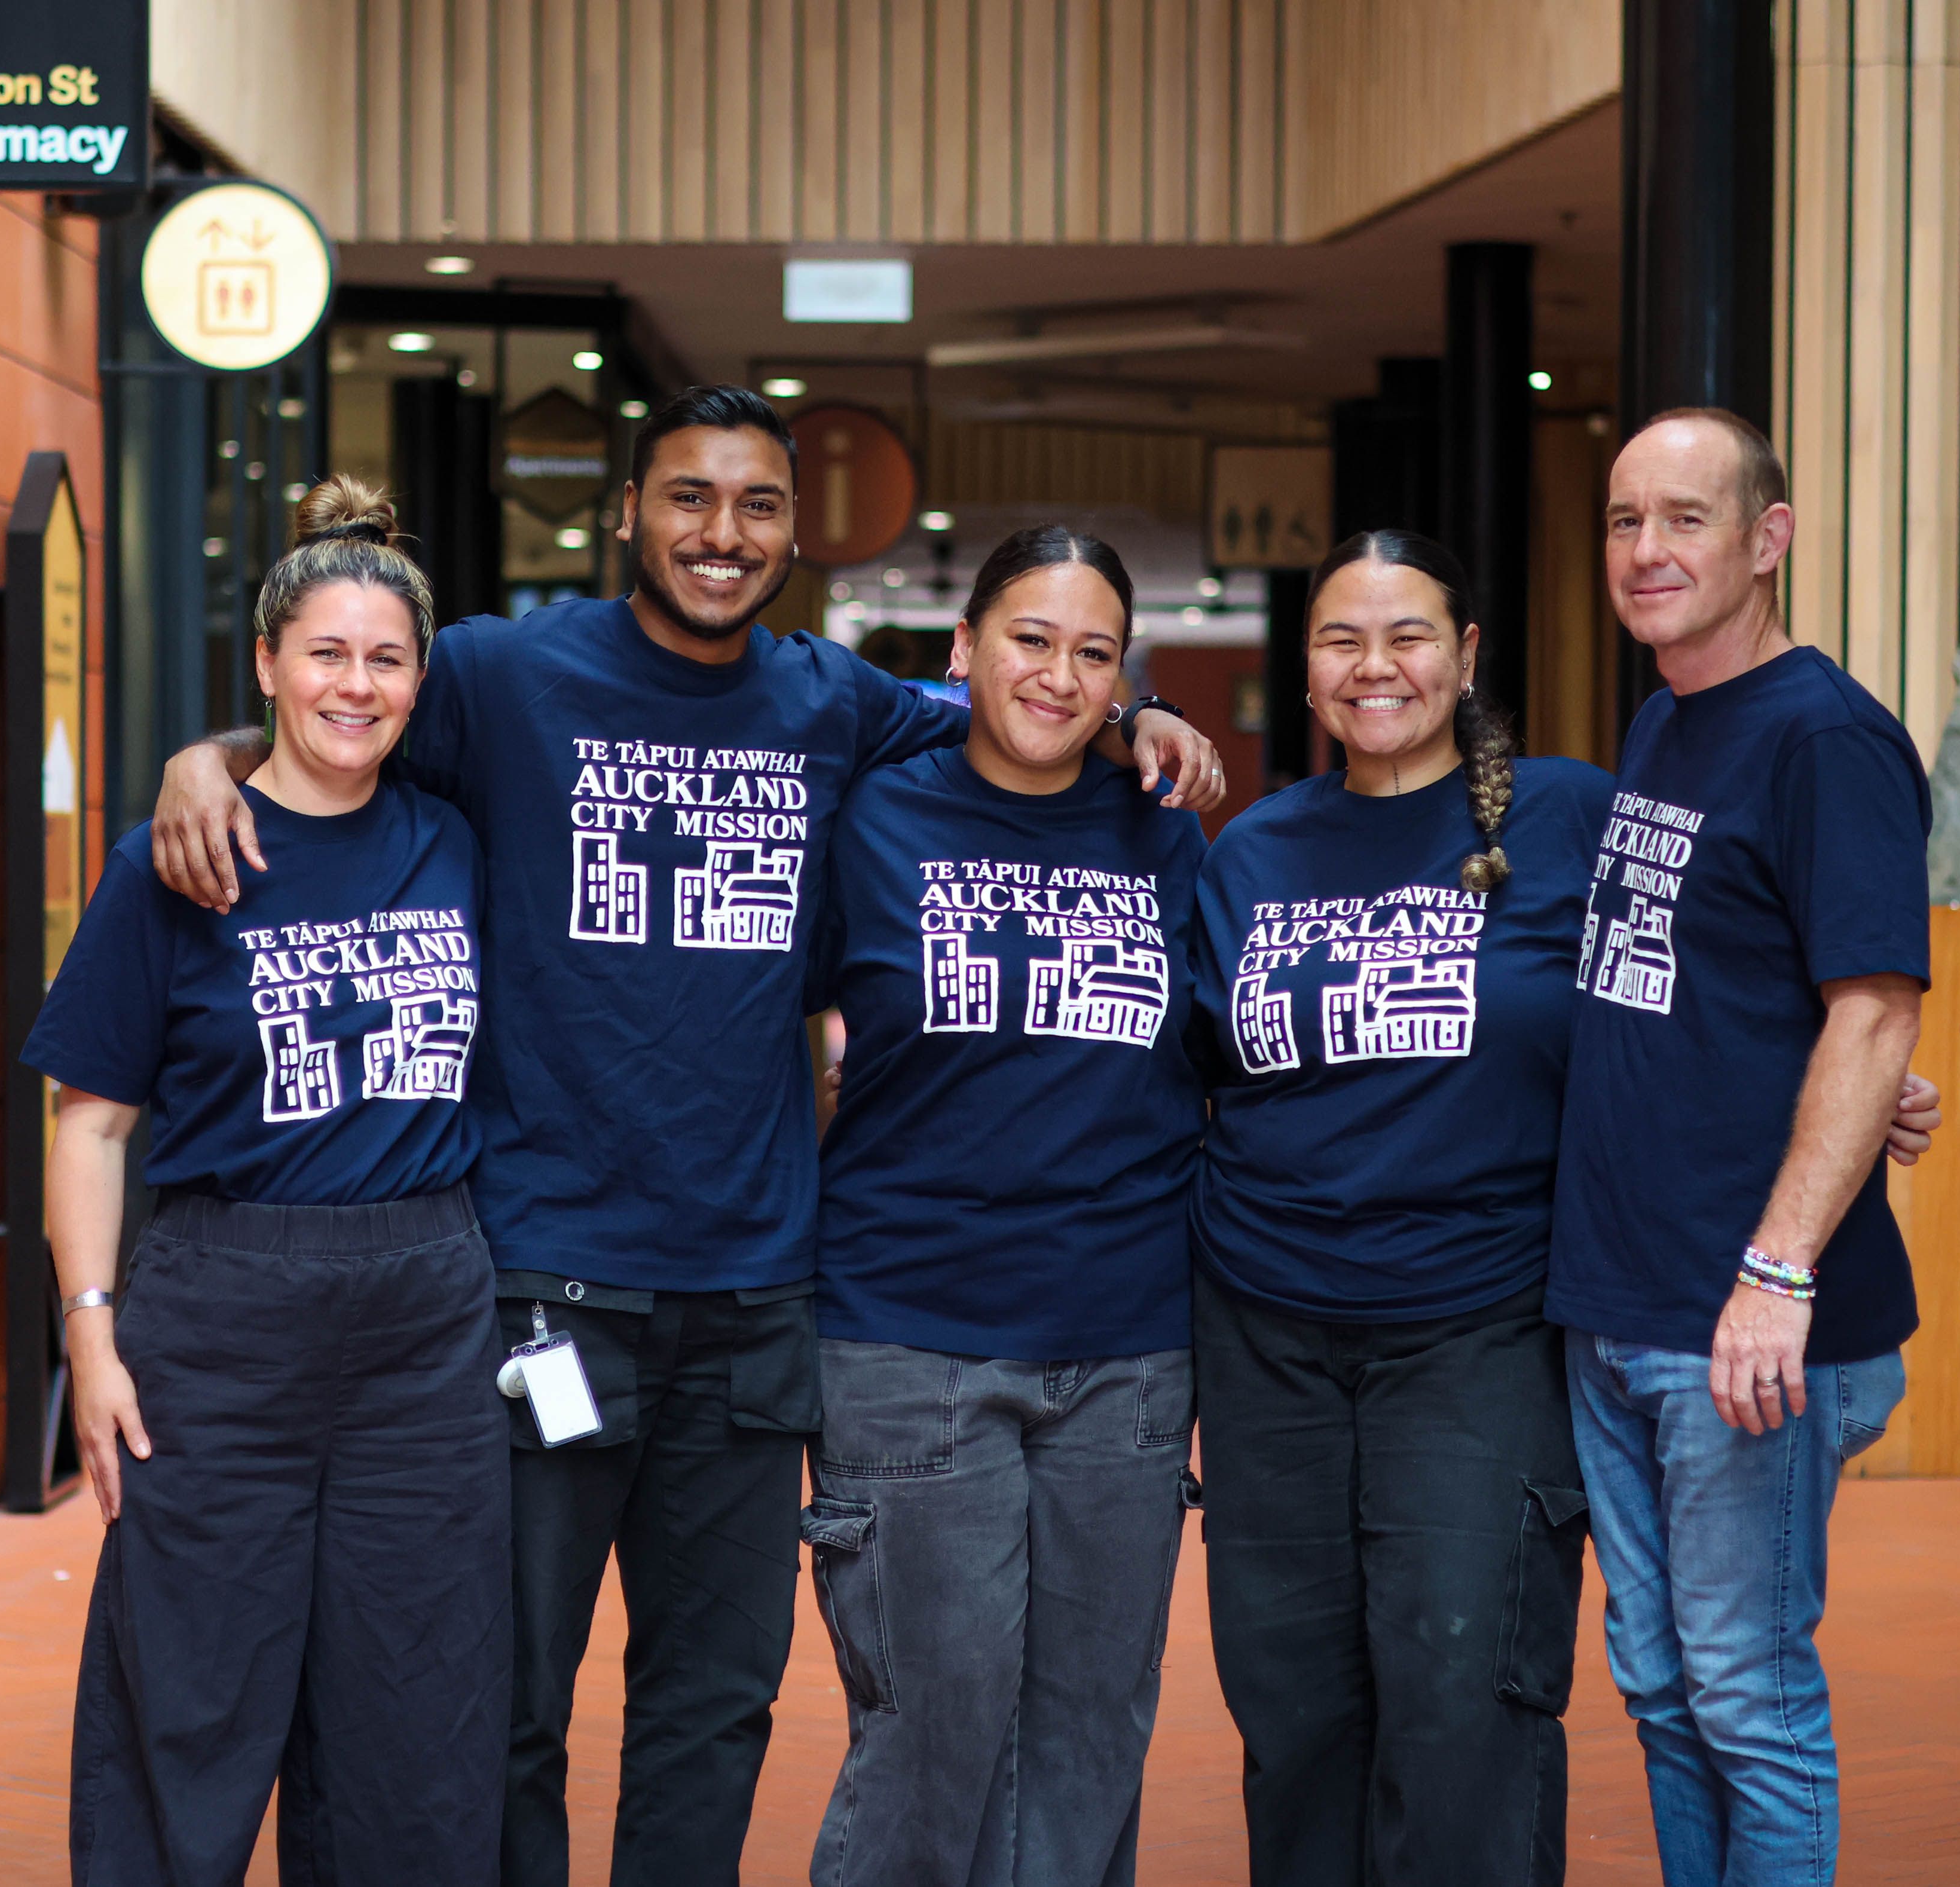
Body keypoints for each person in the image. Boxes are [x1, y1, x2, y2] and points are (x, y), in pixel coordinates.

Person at [146, 386, 1227, 1887]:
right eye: (690, 498)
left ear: (791, 534)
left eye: (758, 505)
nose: (723, 532)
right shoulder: (504, 674)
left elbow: (1014, 711)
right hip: (546, 1289)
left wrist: (1133, 711)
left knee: (713, 1703)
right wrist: (198, 758)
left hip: (753, 1303)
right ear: (629, 514)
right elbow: (341, 710)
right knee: (509, 1696)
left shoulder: (831, 701)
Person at [1185, 528, 1940, 1887]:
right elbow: (1176, 1070)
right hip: (1264, 1337)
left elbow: (1715, 965)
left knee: (1462, 1695)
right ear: (1303, 671)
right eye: (1342, 639)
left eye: (1409, 634)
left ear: (1466, 656)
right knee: (1292, 1703)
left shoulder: (1573, 815)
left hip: (1476, 1325)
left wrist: (1866, 1073)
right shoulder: (1251, 851)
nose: (1376, 666)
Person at [25, 478, 506, 1886]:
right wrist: (92, 1334)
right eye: (326, 654)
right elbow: (90, 1127)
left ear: (421, 675)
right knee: (190, 1688)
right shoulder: (178, 859)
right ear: (266, 664)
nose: (355, 686)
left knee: (419, 1710)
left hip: (426, 1322)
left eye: (386, 658)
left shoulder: (456, 840)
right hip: (220, 1314)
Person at [1548, 408, 1930, 1887]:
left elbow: (1875, 1005)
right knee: (1659, 1686)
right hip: (1620, 1301)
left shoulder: (1824, 736)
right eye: (1625, 518)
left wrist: (1776, 1272)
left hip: (1745, 1322)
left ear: (1767, 538)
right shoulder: (1666, 717)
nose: (1647, 551)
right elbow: (1741, 990)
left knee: (1747, 1698)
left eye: (1686, 518)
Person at [803, 525, 1204, 1887]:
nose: (1058, 674)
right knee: (933, 1736)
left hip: (1129, 1351)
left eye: (1096, 654)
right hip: (911, 1339)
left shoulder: (1163, 835)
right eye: (1029, 639)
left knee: (1091, 1736)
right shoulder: (870, 814)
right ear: (963, 650)